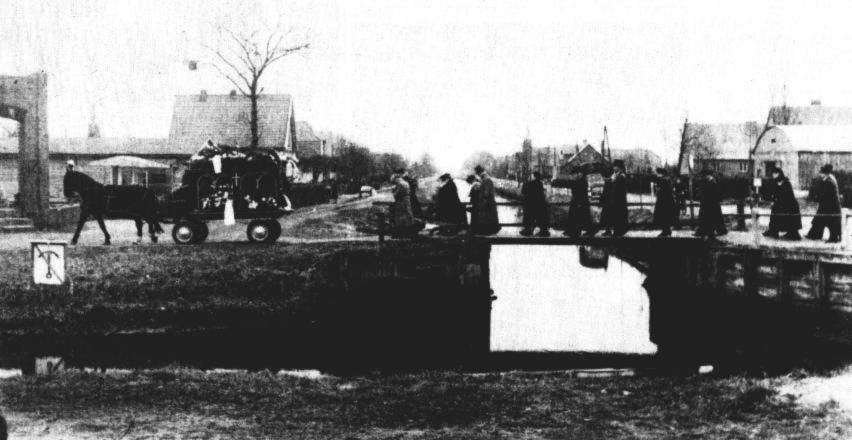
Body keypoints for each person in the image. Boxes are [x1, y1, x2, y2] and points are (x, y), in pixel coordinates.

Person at [806, 164, 842, 242]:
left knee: (830, 222)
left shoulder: (829, 181)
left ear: (825, 173)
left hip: (831, 205)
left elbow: (826, 193)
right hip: (827, 204)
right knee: (819, 219)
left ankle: (833, 238)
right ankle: (815, 234)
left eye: (821, 173)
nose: (820, 174)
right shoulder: (829, 179)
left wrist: (817, 198)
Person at [763, 168, 802, 240]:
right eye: (773, 174)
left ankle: (792, 233)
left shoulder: (786, 182)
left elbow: (789, 194)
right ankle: (773, 230)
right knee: (775, 216)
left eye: (775, 174)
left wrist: (779, 200)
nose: (774, 175)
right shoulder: (774, 182)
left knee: (789, 219)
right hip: (780, 203)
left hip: (789, 204)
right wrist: (773, 200)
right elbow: (773, 193)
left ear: (779, 174)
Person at [694, 169, 727, 240]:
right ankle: (719, 231)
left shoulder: (705, 181)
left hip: (707, 203)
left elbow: (702, 192)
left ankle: (706, 232)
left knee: (706, 218)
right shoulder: (713, 180)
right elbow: (718, 191)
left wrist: (701, 197)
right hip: (713, 203)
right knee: (716, 217)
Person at [563, 166, 592, 237]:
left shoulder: (582, 181)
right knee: (579, 217)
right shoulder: (580, 180)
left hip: (580, 202)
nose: (574, 176)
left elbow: (581, 193)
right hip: (578, 201)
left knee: (578, 217)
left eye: (575, 174)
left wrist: (579, 203)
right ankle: (573, 230)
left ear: (579, 174)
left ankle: (575, 231)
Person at [601, 160, 628, 237]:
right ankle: (609, 230)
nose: (614, 168)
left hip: (618, 200)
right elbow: (610, 183)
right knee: (609, 215)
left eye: (615, 166)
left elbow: (619, 188)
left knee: (618, 216)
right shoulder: (614, 174)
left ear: (619, 167)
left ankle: (617, 232)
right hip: (611, 199)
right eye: (614, 166)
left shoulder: (621, 176)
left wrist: (609, 180)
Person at [472, 165, 501, 235]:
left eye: (476, 173)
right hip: (488, 204)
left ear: (479, 172)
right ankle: (488, 232)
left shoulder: (486, 179)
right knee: (488, 220)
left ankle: (488, 232)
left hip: (488, 204)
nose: (477, 175)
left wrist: (482, 204)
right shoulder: (485, 179)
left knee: (487, 219)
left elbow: (486, 193)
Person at [520, 171, 550, 237]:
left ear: (533, 176)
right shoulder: (540, 183)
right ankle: (543, 231)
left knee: (529, 216)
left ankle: (528, 230)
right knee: (541, 218)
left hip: (532, 204)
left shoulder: (529, 183)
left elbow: (523, 192)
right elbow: (541, 193)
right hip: (540, 204)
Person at [389, 171, 417, 236]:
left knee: (400, 217)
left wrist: (392, 193)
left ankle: (401, 232)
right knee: (408, 215)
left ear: (396, 179)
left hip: (401, 202)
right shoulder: (405, 182)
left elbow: (397, 194)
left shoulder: (400, 184)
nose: (394, 182)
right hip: (407, 201)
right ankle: (410, 230)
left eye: (394, 180)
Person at [653, 167, 677, 237]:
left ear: (661, 173)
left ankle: (666, 231)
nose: (656, 174)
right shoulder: (666, 179)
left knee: (664, 216)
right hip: (666, 201)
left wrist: (659, 190)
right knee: (666, 217)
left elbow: (665, 190)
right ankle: (666, 231)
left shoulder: (664, 180)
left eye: (657, 173)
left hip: (665, 201)